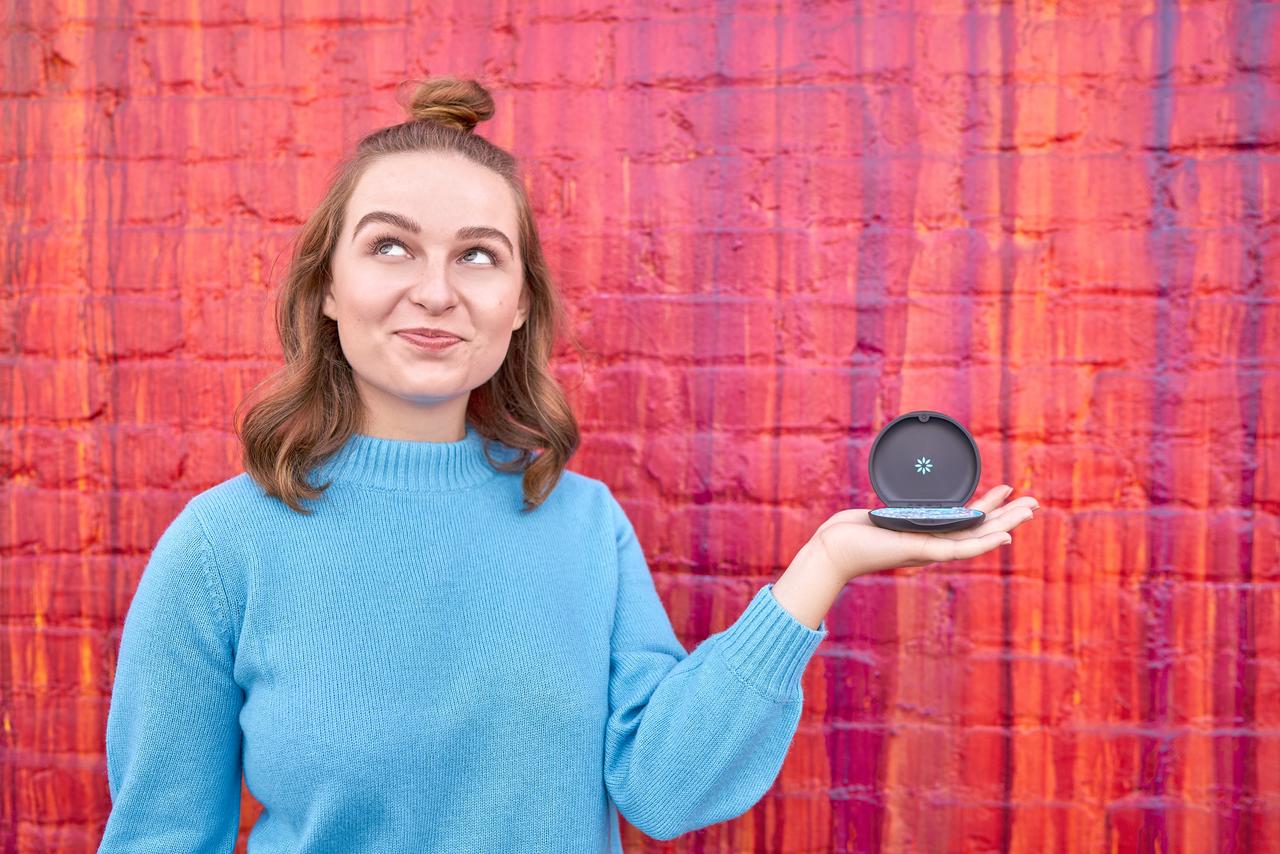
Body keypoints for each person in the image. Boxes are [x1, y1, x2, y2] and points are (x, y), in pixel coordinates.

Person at [99, 75, 1039, 853]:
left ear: (516, 307)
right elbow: (159, 838)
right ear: (329, 290)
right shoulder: (225, 545)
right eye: (390, 247)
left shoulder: (583, 524)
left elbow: (666, 791)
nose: (434, 291)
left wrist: (825, 563)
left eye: (478, 256)